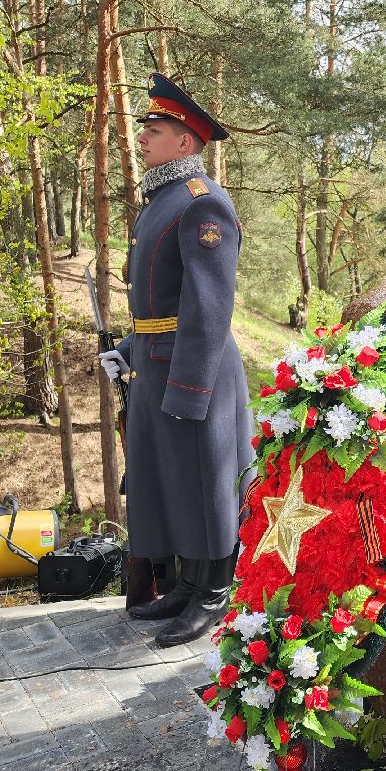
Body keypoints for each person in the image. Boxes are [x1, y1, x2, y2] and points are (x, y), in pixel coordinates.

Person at [98, 73, 252, 647]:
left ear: (185, 142)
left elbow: (208, 309)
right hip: (156, 363)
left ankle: (214, 594)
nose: (144, 138)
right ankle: (188, 585)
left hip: (196, 369)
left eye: (155, 130)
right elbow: (157, 303)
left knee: (206, 484)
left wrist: (190, 388)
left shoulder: (202, 203)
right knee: (173, 483)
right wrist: (129, 351)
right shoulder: (162, 200)